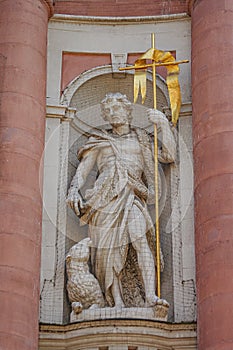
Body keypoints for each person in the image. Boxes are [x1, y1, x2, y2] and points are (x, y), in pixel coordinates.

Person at [67, 92, 176, 308]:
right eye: (107, 111)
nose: (111, 113)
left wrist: (163, 124)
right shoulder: (99, 141)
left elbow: (169, 156)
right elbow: (82, 170)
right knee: (107, 250)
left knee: (140, 240)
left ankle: (150, 296)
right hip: (103, 200)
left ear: (127, 111)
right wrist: (73, 190)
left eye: (115, 108)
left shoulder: (142, 139)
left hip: (133, 195)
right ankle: (115, 301)